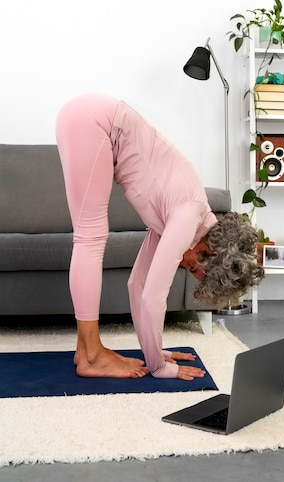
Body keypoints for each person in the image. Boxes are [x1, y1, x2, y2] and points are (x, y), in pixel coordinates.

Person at [56, 94, 264, 381]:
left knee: (90, 236)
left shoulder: (184, 212)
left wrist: (154, 352)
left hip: (88, 117)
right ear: (210, 251)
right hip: (94, 122)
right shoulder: (189, 215)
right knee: (90, 237)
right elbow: (154, 297)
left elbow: (137, 286)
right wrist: (159, 367)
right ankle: (92, 356)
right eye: (193, 266)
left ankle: (85, 350)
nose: (185, 265)